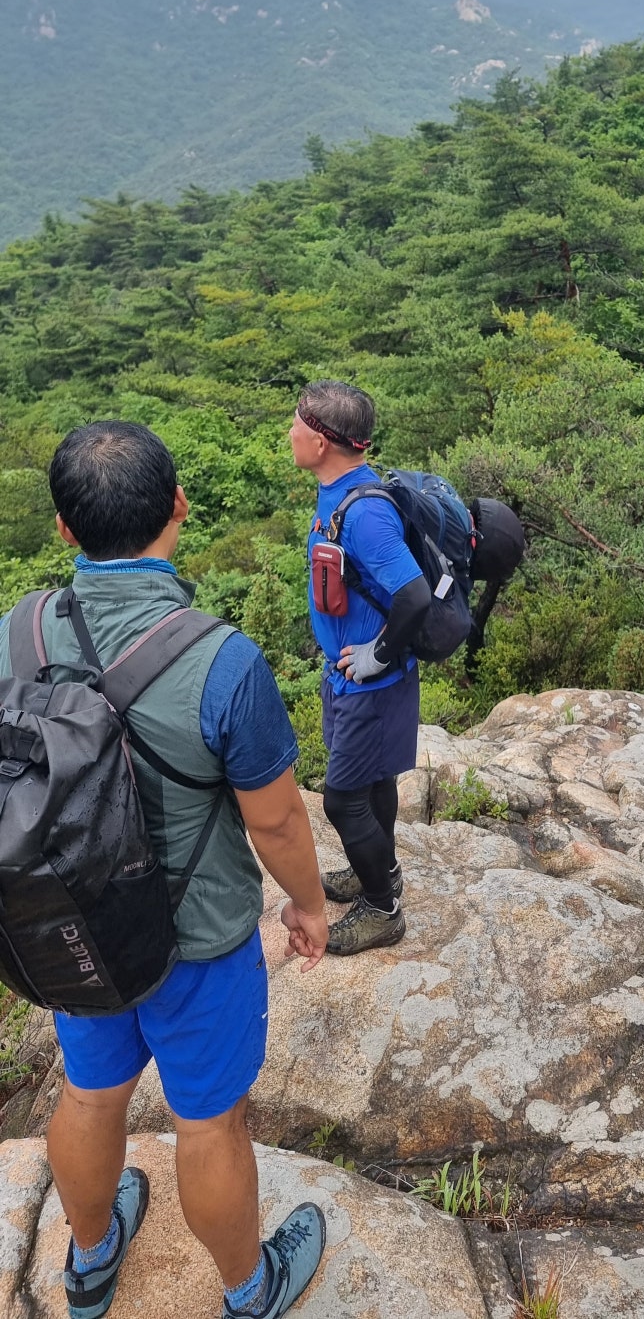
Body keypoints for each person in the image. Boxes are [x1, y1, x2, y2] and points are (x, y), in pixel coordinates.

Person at [0, 422, 329, 1319]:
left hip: (68, 927)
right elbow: (277, 818)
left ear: (65, 529)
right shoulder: (222, 661)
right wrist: (308, 906)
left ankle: (93, 1259)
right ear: (180, 505)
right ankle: (246, 1289)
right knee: (209, 1121)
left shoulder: (17, 631)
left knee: (90, 1090)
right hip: (198, 938)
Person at [291, 381, 431, 956]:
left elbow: (415, 595)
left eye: (296, 425)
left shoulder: (365, 514)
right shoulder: (338, 491)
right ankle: (379, 871)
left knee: (341, 799)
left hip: (371, 684)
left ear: (323, 442)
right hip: (350, 677)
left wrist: (376, 656)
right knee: (374, 785)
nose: (290, 434)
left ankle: (383, 908)